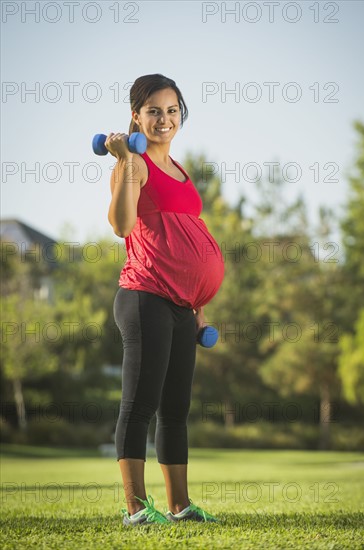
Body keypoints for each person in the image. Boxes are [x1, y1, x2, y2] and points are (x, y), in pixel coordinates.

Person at [105, 74, 225, 526]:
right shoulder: (133, 163)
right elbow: (120, 225)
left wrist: (199, 307)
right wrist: (124, 161)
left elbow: (187, 241)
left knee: (176, 409)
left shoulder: (179, 169)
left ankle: (180, 507)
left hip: (182, 305)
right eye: (154, 110)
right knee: (140, 405)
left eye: (172, 110)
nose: (164, 119)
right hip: (144, 297)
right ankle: (136, 508)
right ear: (136, 114)